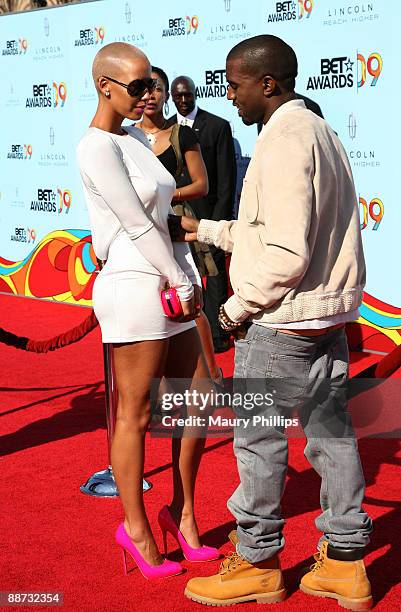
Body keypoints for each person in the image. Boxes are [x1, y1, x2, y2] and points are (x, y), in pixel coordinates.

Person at [177, 35, 373, 608]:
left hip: (279, 322)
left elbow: (285, 254)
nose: (227, 95)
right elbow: (270, 233)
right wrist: (204, 230)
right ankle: (345, 563)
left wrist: (233, 310)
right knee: (332, 438)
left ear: (268, 83)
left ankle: (259, 562)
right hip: (323, 321)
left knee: (258, 443)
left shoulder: (285, 140)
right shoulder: (318, 131)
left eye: (234, 84)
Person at [76, 42, 219, 581]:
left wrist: (187, 272)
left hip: (170, 277)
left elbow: (163, 212)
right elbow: (135, 224)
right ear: (104, 86)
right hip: (135, 285)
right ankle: (135, 528)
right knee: (136, 413)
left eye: (150, 86)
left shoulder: (136, 137)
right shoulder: (94, 147)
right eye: (136, 87)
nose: (147, 95)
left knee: (201, 395)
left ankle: (181, 513)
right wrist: (178, 277)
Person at [136, 65, 223, 384]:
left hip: (172, 229)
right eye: (144, 88)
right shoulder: (125, 136)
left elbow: (201, 184)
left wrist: (164, 195)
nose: (150, 95)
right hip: (138, 233)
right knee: (148, 302)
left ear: (166, 94)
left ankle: (212, 374)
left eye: (157, 88)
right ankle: (160, 383)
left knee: (189, 302)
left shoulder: (180, 134)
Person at [169, 76, 237, 354]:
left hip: (210, 215)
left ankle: (219, 336)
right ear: (171, 98)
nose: (184, 101)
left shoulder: (217, 126)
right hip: (177, 216)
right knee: (186, 273)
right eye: (178, 97)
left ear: (196, 94)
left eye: (188, 95)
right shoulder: (165, 129)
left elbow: (226, 180)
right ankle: (189, 334)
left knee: (216, 274)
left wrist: (219, 220)